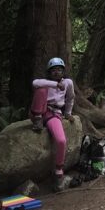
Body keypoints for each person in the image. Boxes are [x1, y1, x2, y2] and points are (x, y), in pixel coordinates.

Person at [30, 57, 75, 190]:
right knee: (41, 89)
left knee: (61, 140)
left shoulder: (68, 83)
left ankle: (58, 172)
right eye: (53, 70)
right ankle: (38, 121)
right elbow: (35, 83)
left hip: (53, 113)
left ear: (63, 71)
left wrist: (68, 113)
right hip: (37, 113)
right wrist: (54, 84)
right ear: (49, 72)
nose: (56, 72)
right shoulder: (45, 82)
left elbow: (70, 98)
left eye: (59, 70)